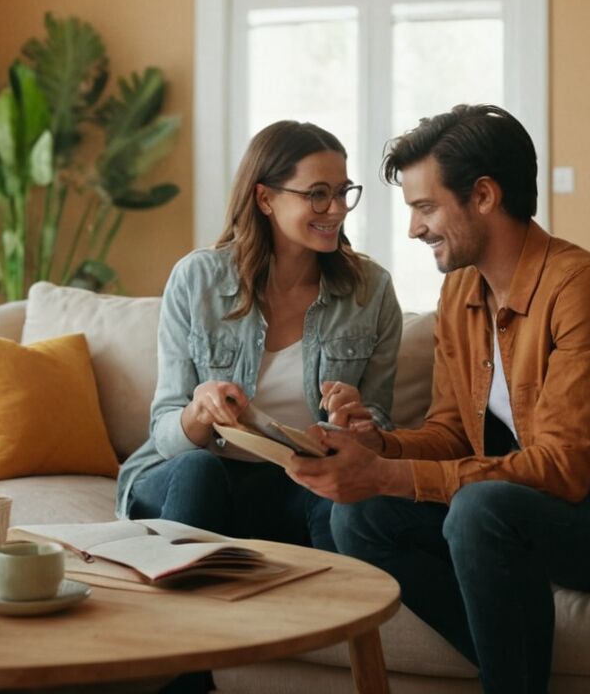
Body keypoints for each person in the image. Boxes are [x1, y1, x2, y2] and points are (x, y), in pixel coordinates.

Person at [287, 105, 590, 693]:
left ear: (485, 196)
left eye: (425, 207)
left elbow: (563, 471)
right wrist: (377, 445)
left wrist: (389, 474)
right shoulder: (462, 288)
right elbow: (449, 432)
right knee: (360, 515)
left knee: (480, 510)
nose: (414, 230)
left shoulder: (579, 288)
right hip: (545, 511)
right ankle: (515, 664)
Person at [115, 120, 403, 553]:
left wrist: (358, 425)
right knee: (200, 472)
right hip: (193, 475)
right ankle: (180, 613)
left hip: (295, 482)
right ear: (265, 198)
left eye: (343, 192)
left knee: (341, 497)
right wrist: (199, 411)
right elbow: (166, 433)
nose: (337, 209)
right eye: (318, 194)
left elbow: (378, 424)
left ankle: (337, 617)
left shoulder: (371, 290)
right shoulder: (197, 280)